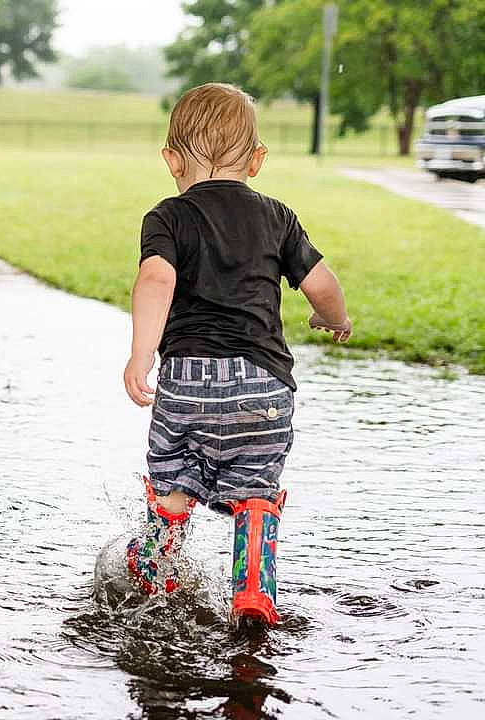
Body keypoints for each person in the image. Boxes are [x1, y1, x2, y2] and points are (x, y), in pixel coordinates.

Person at [120, 83, 352, 626]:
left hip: (187, 381)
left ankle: (154, 576)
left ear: (172, 160)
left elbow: (156, 278)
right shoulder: (277, 216)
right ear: (256, 159)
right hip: (264, 385)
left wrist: (141, 353)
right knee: (255, 490)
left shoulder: (168, 216)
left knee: (174, 479)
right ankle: (253, 589)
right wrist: (334, 319)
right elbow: (321, 283)